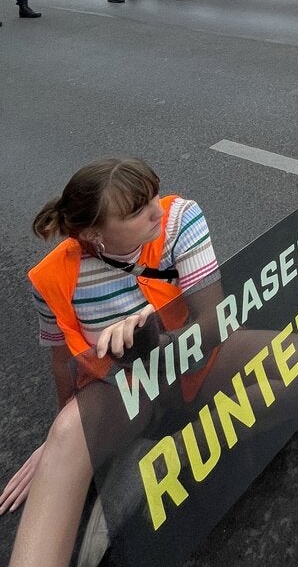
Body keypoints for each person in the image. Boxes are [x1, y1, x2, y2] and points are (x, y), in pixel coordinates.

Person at [0, 158, 220, 567]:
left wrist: (154, 333)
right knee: (67, 435)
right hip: (123, 391)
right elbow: (61, 361)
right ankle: (125, 457)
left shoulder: (180, 220)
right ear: (93, 235)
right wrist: (62, 444)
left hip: (189, 364)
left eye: (154, 194)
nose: (158, 209)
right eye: (138, 210)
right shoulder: (52, 278)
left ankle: (159, 463)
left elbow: (214, 322)